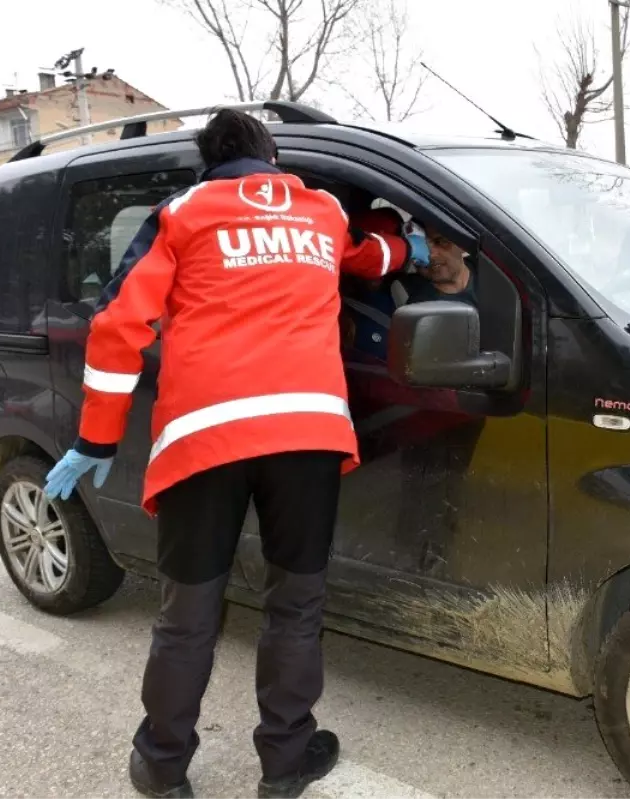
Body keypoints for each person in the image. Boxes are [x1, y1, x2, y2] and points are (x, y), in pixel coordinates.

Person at [42, 108, 429, 799]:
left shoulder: (183, 213)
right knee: (296, 603)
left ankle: (162, 768)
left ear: (208, 161)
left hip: (205, 438)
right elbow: (370, 258)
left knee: (188, 614)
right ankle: (284, 763)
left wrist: (97, 436)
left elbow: (118, 324)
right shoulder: (321, 209)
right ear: (272, 154)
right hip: (307, 435)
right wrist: (410, 244)